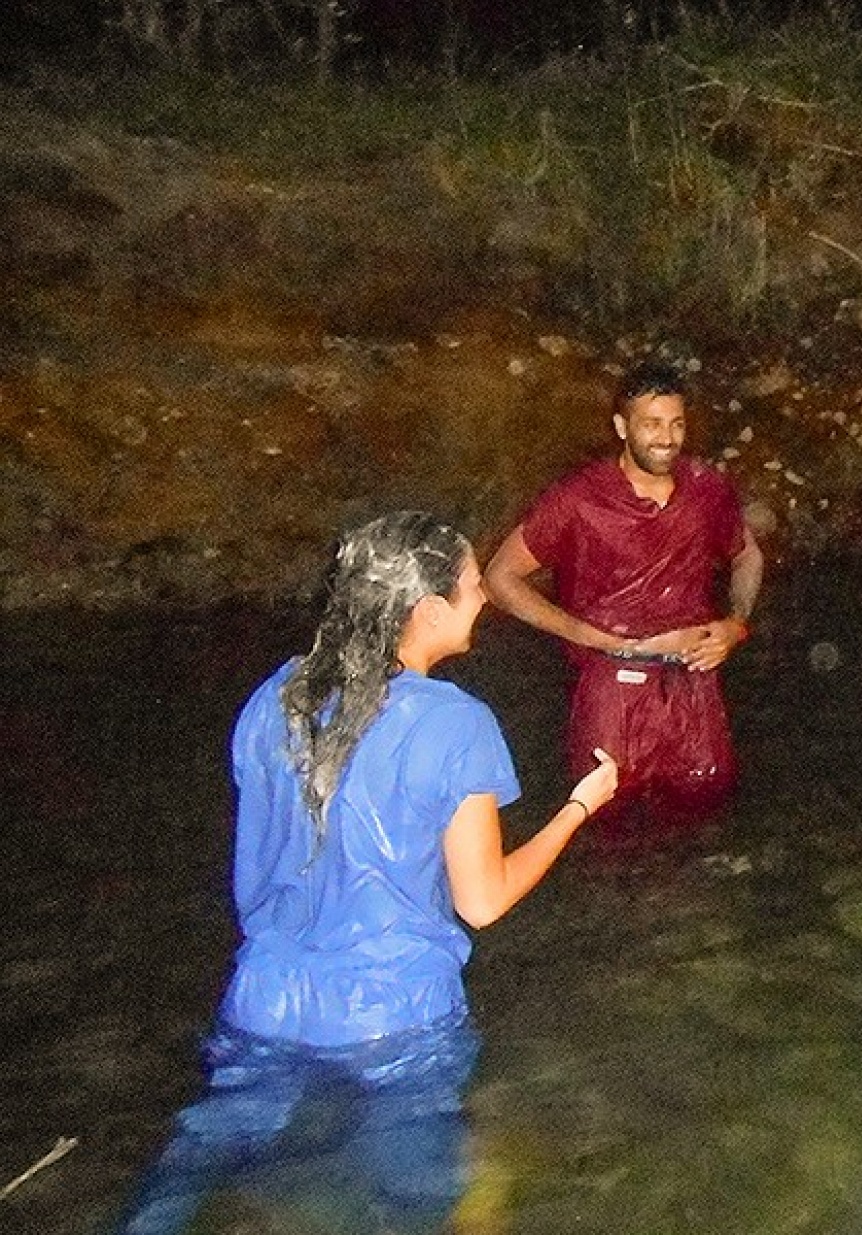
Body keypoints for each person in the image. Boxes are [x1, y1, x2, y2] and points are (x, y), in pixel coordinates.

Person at [118, 512, 619, 1234]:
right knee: (418, 1202)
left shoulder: (276, 697)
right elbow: (482, 901)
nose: (485, 595)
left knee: (187, 1174)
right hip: (395, 1018)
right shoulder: (456, 723)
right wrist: (578, 806)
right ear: (428, 611)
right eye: (472, 584)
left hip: (265, 1001)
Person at [485, 360, 763, 833]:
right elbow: (500, 578)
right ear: (621, 427)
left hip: (694, 685)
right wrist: (590, 636)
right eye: (652, 424)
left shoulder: (705, 491)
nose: (667, 438)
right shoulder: (579, 499)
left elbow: (747, 555)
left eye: (676, 424)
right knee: (609, 825)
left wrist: (734, 625)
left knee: (705, 815)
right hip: (613, 687)